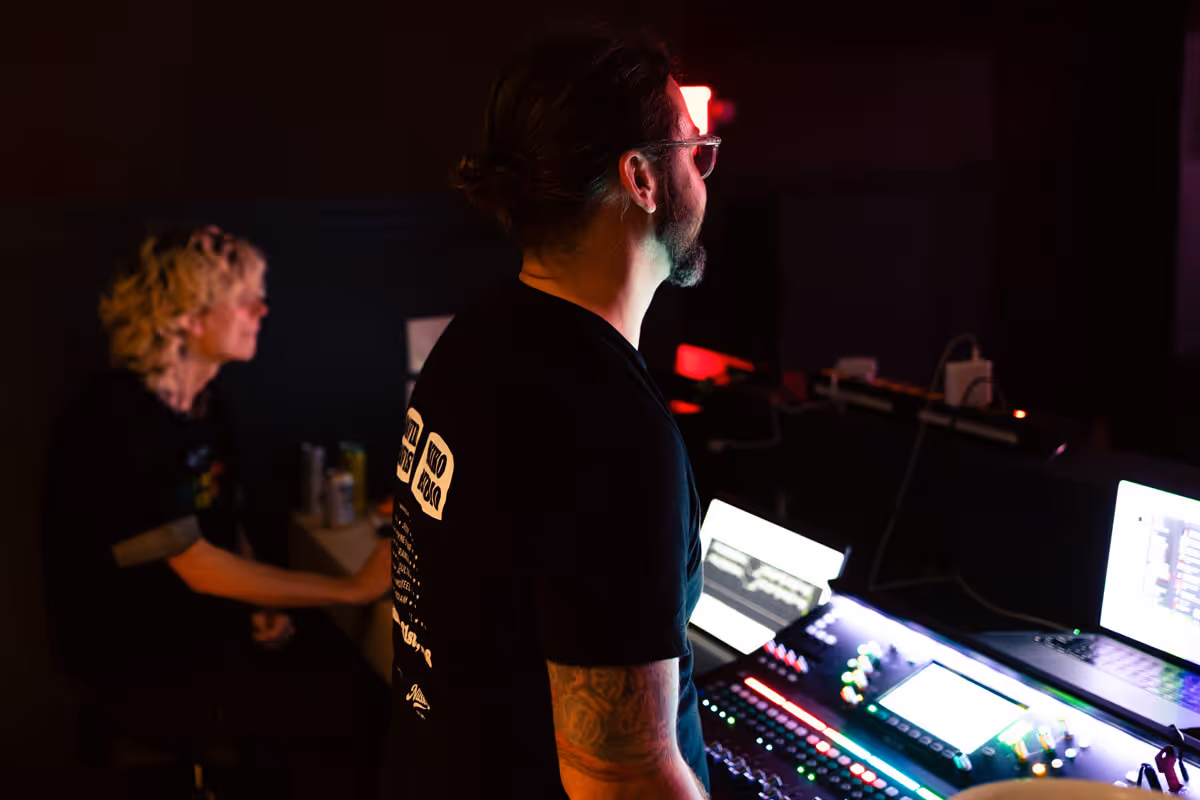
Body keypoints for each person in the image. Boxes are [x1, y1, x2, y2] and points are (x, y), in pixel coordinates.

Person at [387, 27, 720, 799]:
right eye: (694, 152)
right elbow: (620, 773)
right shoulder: (605, 424)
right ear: (641, 178)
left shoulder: (478, 338)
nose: (704, 177)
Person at [41, 225, 392, 798]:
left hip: (202, 636)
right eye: (243, 298)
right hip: (137, 666)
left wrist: (258, 603)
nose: (262, 308)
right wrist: (351, 589)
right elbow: (199, 566)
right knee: (350, 711)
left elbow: (226, 526)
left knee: (354, 681)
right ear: (185, 317)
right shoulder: (114, 421)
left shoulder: (209, 404)